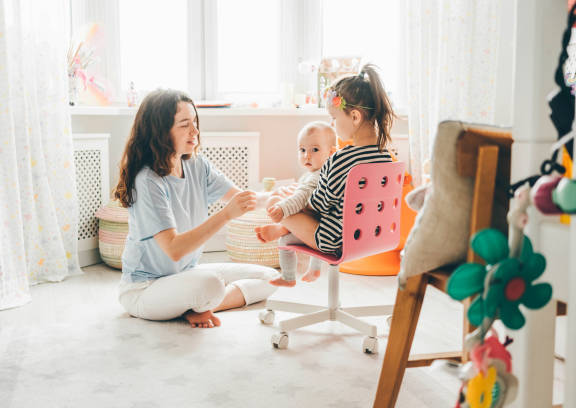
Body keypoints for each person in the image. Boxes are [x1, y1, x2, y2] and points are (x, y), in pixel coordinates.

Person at [114, 89, 277, 328]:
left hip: (184, 276)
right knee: (210, 283)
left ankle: (197, 307)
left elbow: (242, 199)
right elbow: (174, 249)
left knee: (271, 277)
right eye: (184, 125)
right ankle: (197, 302)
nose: (195, 131)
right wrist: (226, 215)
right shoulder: (147, 181)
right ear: (160, 131)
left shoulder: (197, 166)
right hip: (145, 289)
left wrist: (283, 197)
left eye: (195, 122)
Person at [255, 64, 395, 267]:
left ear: (355, 117)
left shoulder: (340, 160)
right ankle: (284, 231)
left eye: (334, 117)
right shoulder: (386, 158)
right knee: (293, 203)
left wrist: (300, 196)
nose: (332, 124)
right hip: (374, 236)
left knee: (275, 201)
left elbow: (320, 205)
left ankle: (283, 231)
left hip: (334, 241)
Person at [264, 121, 337, 287]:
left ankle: (288, 277)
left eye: (315, 150)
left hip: (319, 231)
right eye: (302, 150)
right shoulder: (326, 173)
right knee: (290, 230)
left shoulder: (317, 176)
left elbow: (302, 197)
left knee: (284, 242)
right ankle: (314, 269)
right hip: (323, 227)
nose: (307, 155)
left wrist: (283, 209)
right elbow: (304, 194)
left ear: (331, 152)